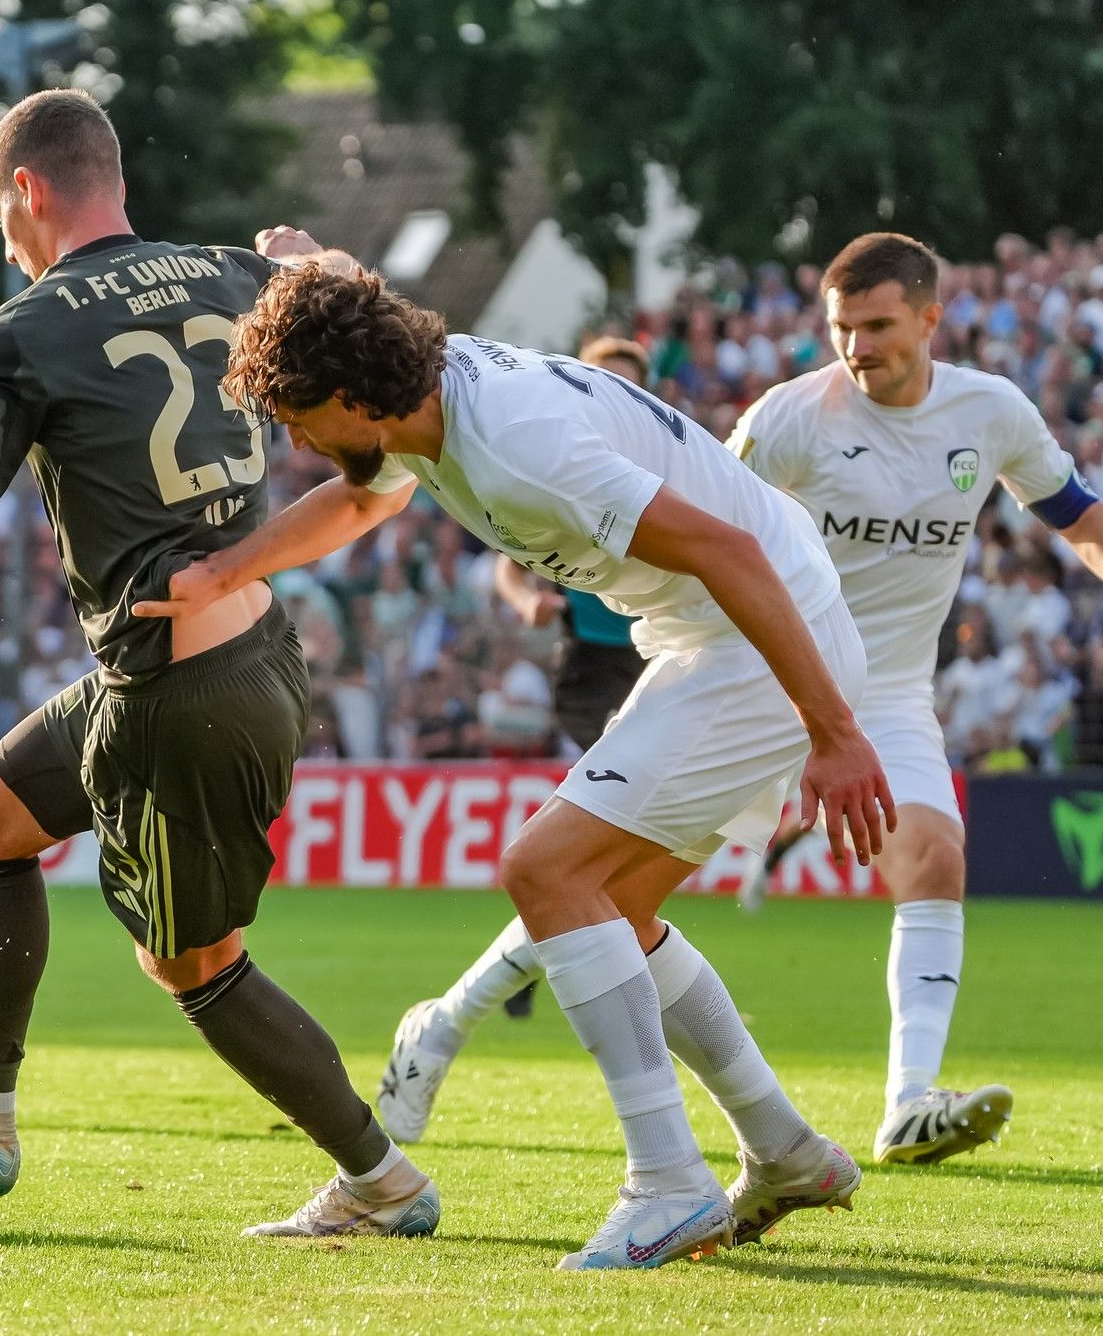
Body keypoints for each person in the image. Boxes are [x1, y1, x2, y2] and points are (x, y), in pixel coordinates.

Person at [146, 264, 894, 1269]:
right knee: (613, 913)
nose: (298, 445)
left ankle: (667, 1184)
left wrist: (834, 731)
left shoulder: (516, 447)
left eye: (301, 419)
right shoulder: (417, 393)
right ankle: (785, 1151)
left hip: (755, 639)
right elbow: (359, 496)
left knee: (546, 870)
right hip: (716, 639)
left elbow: (730, 553)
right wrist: (229, 570)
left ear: (357, 397)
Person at [0, 89, 440, 1240]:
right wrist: (314, 257)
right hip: (234, 647)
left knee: (190, 961)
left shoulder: (10, 335)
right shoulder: (234, 275)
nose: (2, 236)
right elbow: (376, 385)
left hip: (183, 692)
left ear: (26, 189)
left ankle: (381, 1183)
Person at [719, 234, 1103, 1160]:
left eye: (880, 325)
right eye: (842, 328)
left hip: (886, 691)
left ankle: (906, 1103)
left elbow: (1081, 521)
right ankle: (450, 1023)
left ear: (933, 318)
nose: (859, 347)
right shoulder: (787, 420)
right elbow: (705, 530)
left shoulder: (991, 414)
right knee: (604, 879)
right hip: (756, 678)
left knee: (937, 859)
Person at [489, 337, 649, 1018]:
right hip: (589, 666)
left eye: (626, 385)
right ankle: (537, 951)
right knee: (611, 828)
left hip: (657, 660)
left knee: (613, 836)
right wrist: (529, 600)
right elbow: (507, 563)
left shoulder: (661, 462)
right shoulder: (556, 468)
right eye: (598, 381)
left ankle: (528, 954)